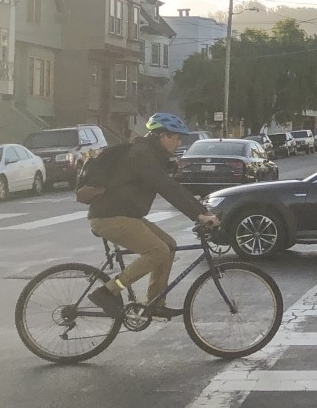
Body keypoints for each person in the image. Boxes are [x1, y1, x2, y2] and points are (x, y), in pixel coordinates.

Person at [87, 113, 219, 320]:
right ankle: (107, 291)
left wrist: (202, 211)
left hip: (127, 214)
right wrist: (199, 215)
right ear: (162, 136)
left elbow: (173, 186)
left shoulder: (152, 154)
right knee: (158, 251)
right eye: (176, 137)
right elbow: (165, 187)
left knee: (169, 245)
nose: (179, 142)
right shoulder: (142, 154)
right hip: (109, 216)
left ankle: (156, 303)